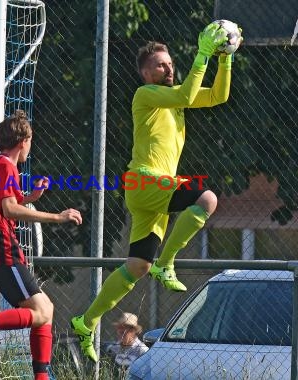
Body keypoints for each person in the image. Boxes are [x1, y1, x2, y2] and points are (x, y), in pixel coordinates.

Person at [71, 21, 242, 362]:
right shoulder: (146, 94)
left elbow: (218, 95)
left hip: (151, 192)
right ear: (145, 73)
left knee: (136, 267)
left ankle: (85, 321)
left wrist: (225, 58)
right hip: (146, 180)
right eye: (161, 64)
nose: (168, 68)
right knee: (206, 198)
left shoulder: (175, 98)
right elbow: (185, 93)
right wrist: (204, 53)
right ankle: (167, 263)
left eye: (170, 63)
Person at [0, 110, 82, 380]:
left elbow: (3, 205)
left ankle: (41, 377)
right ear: (23, 140)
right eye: (31, 140)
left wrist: (30, 196)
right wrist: (57, 217)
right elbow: (9, 211)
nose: (30, 147)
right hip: (0, 248)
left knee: (44, 310)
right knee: (41, 310)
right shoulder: (6, 167)